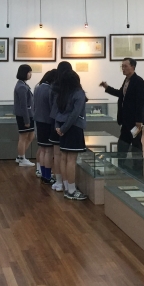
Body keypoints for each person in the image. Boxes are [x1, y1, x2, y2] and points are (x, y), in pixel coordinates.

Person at [99, 57, 144, 151]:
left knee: (135, 144)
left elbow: (141, 102)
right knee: (122, 145)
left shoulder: (139, 82)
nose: (123, 68)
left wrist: (139, 120)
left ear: (132, 67)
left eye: (125, 66)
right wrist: (107, 87)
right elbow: (120, 94)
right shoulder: (127, 80)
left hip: (134, 122)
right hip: (126, 120)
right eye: (122, 66)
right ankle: (121, 161)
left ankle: (137, 161)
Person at [54, 69, 88, 201]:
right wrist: (63, 129)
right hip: (73, 128)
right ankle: (72, 190)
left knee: (64, 158)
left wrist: (59, 127)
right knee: (71, 160)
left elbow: (57, 112)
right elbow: (75, 115)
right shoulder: (78, 93)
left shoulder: (62, 93)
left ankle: (67, 187)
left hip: (62, 127)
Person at [49, 61, 73, 192]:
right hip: (66, 122)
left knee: (58, 154)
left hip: (55, 120)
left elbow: (51, 104)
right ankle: (67, 183)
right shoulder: (71, 87)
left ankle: (59, 181)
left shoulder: (54, 85)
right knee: (66, 156)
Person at [33, 69, 57, 185]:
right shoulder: (50, 90)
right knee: (48, 151)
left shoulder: (38, 87)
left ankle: (43, 174)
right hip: (47, 122)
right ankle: (47, 176)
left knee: (42, 150)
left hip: (39, 121)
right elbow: (53, 107)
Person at [13, 64, 35, 168]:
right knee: (23, 137)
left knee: (30, 136)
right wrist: (26, 120)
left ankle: (21, 156)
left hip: (28, 114)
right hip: (24, 116)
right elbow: (23, 105)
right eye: (29, 72)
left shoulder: (23, 85)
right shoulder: (21, 87)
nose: (30, 74)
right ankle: (21, 158)